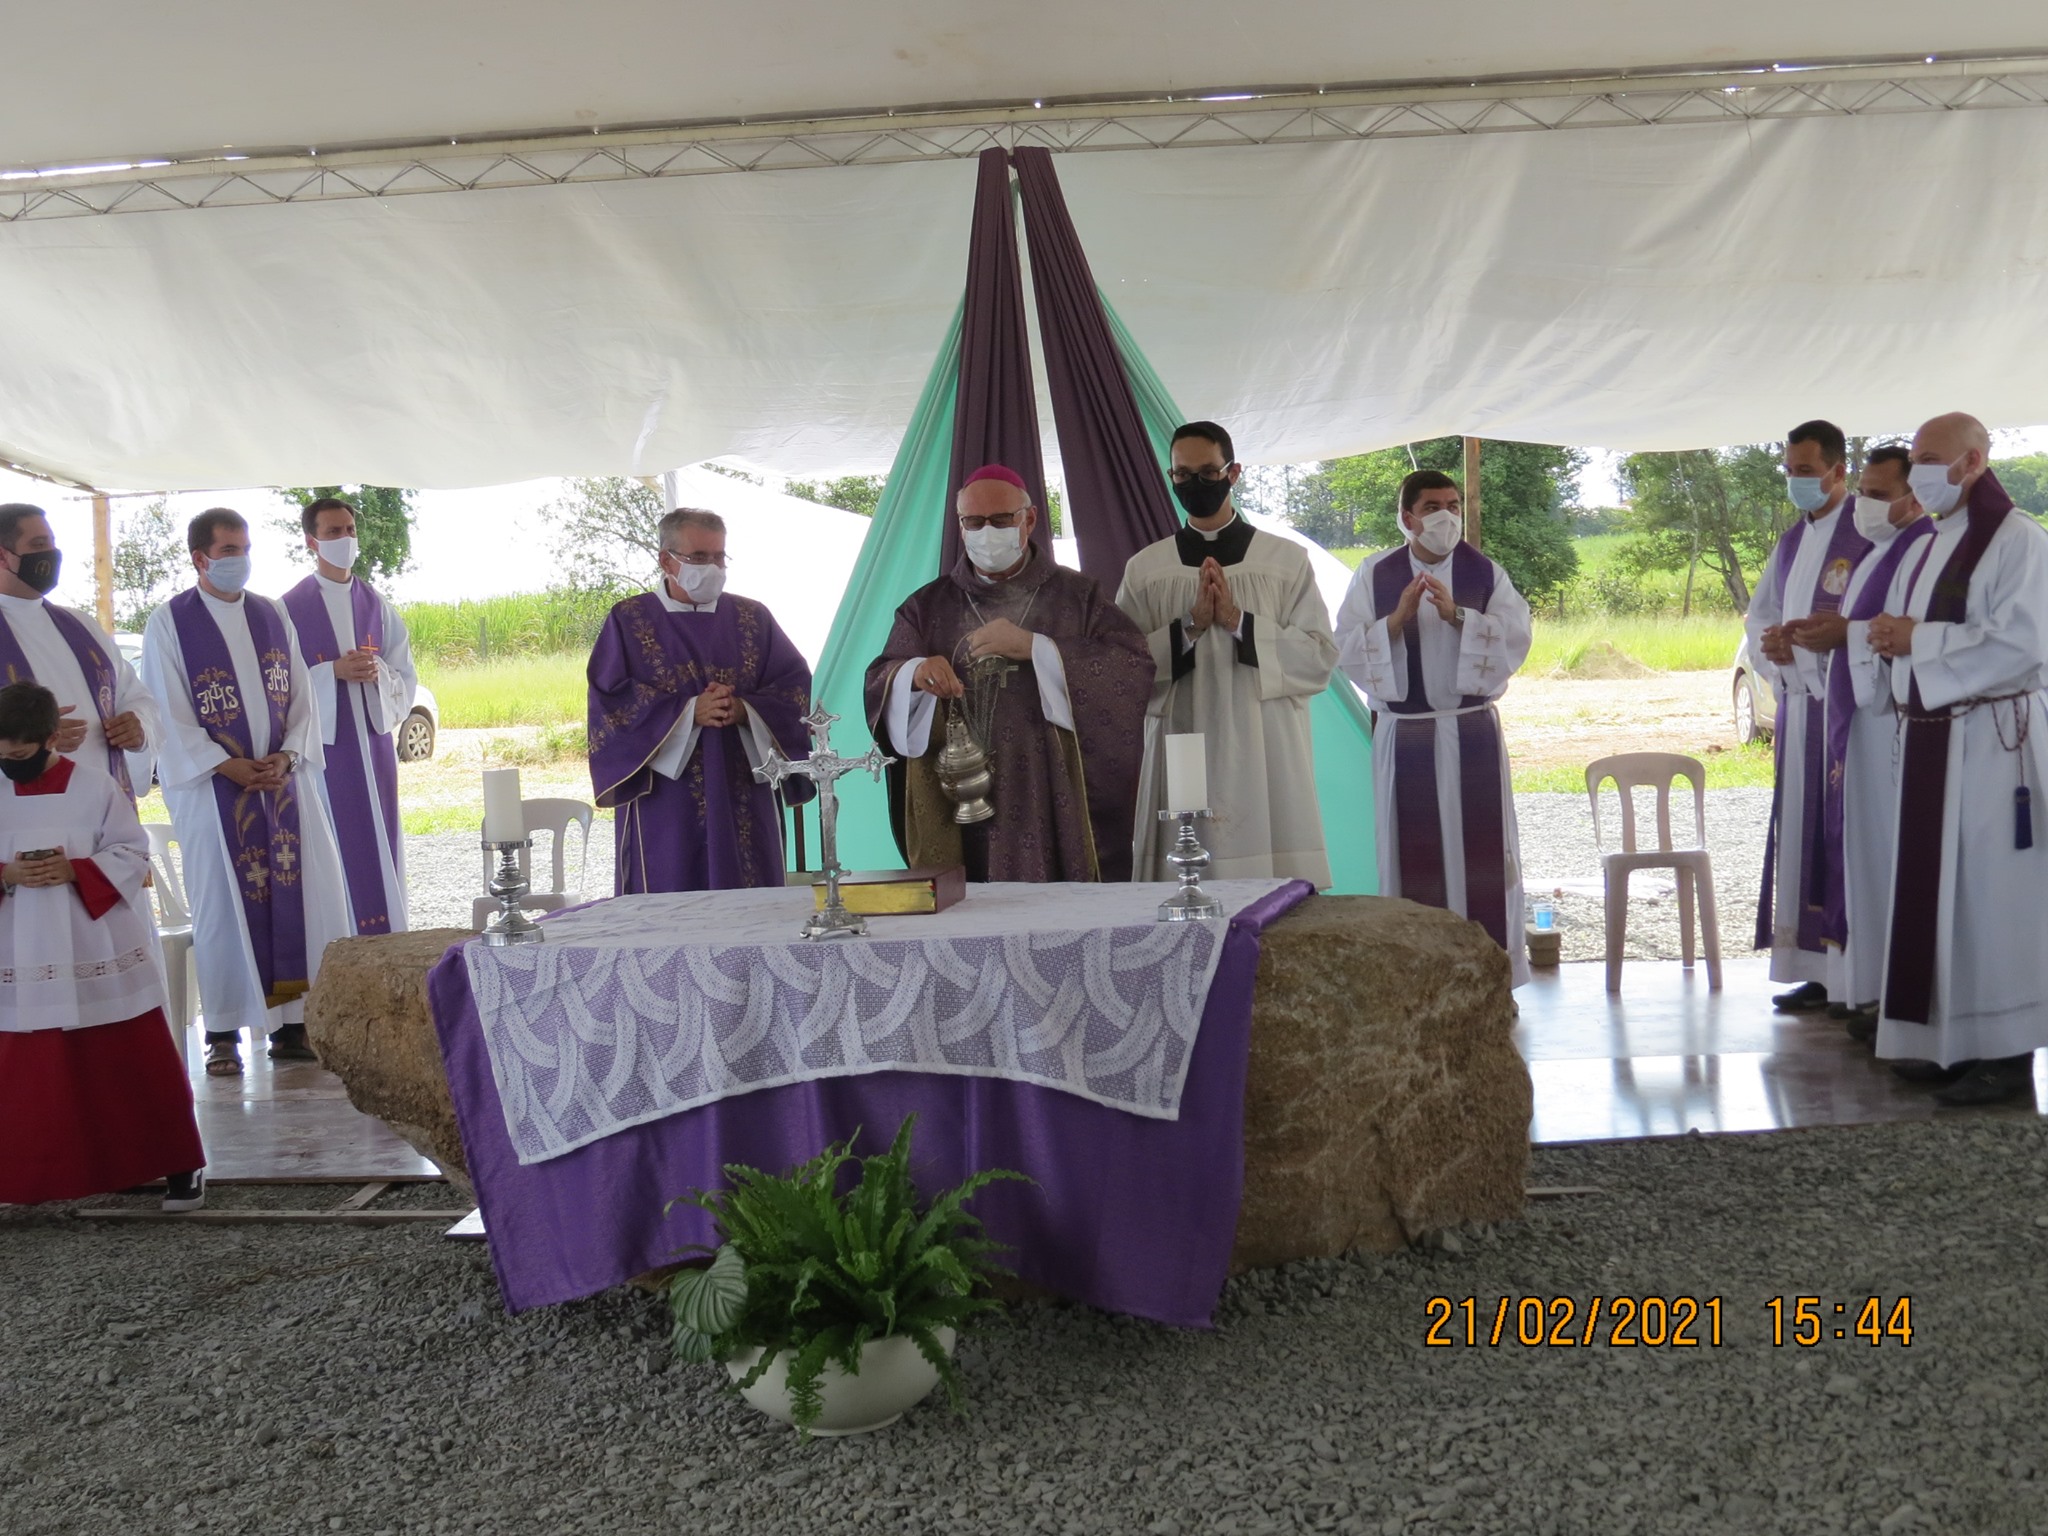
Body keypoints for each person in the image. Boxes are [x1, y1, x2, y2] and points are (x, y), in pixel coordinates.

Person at [1865, 412, 2048, 1106]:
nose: (1920, 474)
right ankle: (1948, 1043)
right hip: (1934, 739)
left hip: (1994, 744)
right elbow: (1909, 631)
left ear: (1974, 462)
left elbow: (2024, 644)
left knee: (1994, 898)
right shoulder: (1924, 545)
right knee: (1941, 899)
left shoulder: (2018, 541)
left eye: (1932, 459)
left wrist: (1921, 641)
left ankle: (2007, 1053)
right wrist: (1887, 638)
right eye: (1914, 460)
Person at [140, 509, 352, 1078]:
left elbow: (301, 694)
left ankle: (291, 1026)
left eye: (245, 547)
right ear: (200, 557)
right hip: (214, 793)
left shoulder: (271, 613)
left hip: (281, 782)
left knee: (298, 898)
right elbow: (167, 707)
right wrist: (225, 765)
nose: (241, 559)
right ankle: (223, 1033)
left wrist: (287, 755)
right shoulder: (170, 622)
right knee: (221, 909)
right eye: (229, 549)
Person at [865, 465, 1152, 882]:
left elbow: (1131, 664)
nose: (986, 532)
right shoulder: (926, 606)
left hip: (1051, 788)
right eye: (973, 522)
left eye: (1000, 520)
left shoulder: (1078, 596)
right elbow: (881, 677)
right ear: (960, 526)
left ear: (1029, 519)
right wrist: (915, 672)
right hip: (959, 791)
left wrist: (1037, 648)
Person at [0, 681, 205, 1211]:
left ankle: (179, 1166)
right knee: (26, 1078)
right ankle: (22, 1181)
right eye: (0, 753)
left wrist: (75, 869)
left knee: (130, 1060)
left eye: (20, 754)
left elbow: (134, 853)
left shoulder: (94, 788)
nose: (9, 763)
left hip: (94, 945)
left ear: (50, 738)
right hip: (18, 950)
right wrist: (8, 873)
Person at [1116, 422, 1336, 884]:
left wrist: (1240, 622)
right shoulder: (1147, 569)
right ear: (1170, 476)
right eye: (1182, 475)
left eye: (1208, 474)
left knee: (1270, 892)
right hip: (1183, 740)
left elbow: (1318, 658)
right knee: (1186, 888)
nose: (1194, 485)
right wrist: (1189, 627)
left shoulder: (1284, 561)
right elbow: (1121, 669)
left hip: (1265, 746)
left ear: (1233, 473)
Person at [1333, 470, 1532, 984]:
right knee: (1411, 859)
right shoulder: (1374, 575)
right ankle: (1417, 979)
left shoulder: (1485, 574)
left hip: (1471, 733)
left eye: (1453, 505)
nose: (1446, 516)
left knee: (1482, 862)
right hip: (1408, 735)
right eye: (1432, 507)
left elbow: (1517, 640)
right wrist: (1395, 620)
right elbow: (1343, 648)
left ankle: (1489, 979)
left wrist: (1460, 617)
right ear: (1407, 518)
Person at [1785, 445, 1932, 1040]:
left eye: (1876, 496)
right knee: (1863, 859)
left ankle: (1880, 992)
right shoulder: (1882, 550)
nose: (1864, 507)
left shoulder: (1921, 549)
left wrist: (1846, 634)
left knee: (1883, 860)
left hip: (1889, 725)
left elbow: (1912, 632)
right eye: (1865, 493)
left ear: (1913, 496)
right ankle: (1862, 987)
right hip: (1859, 722)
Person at [588, 508, 814, 892]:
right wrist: (690, 712)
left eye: (719, 556)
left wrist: (744, 709)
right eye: (698, 557)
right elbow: (611, 700)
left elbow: (792, 686)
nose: (712, 567)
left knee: (751, 899)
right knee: (670, 901)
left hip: (743, 781)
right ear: (666, 559)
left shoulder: (752, 618)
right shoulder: (629, 619)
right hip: (665, 798)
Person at [1745, 420, 1870, 1015]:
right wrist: (1776, 651)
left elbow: (1870, 619)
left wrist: (1813, 655)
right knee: (1802, 832)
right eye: (1790, 471)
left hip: (1844, 711)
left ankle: (1852, 971)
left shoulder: (1864, 535)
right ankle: (1817, 970)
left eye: (1805, 471)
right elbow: (1762, 612)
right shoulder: (1792, 541)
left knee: (1842, 835)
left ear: (1838, 471)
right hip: (1800, 711)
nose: (1796, 482)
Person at [282, 497, 416, 935]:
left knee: (380, 841)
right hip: (325, 753)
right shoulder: (286, 611)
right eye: (334, 532)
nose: (345, 539)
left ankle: (388, 935)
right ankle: (338, 937)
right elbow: (279, 682)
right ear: (311, 540)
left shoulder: (378, 607)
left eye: (350, 530)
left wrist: (377, 673)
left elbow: (406, 677)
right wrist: (331, 673)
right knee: (334, 848)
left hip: (373, 749)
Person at [0, 503, 158, 798]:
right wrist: (31, 736)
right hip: (22, 812)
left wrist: (137, 725)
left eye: (52, 543)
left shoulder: (81, 625)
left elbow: (135, 695)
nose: (51, 554)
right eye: (38, 544)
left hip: (102, 803)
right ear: (2, 556)